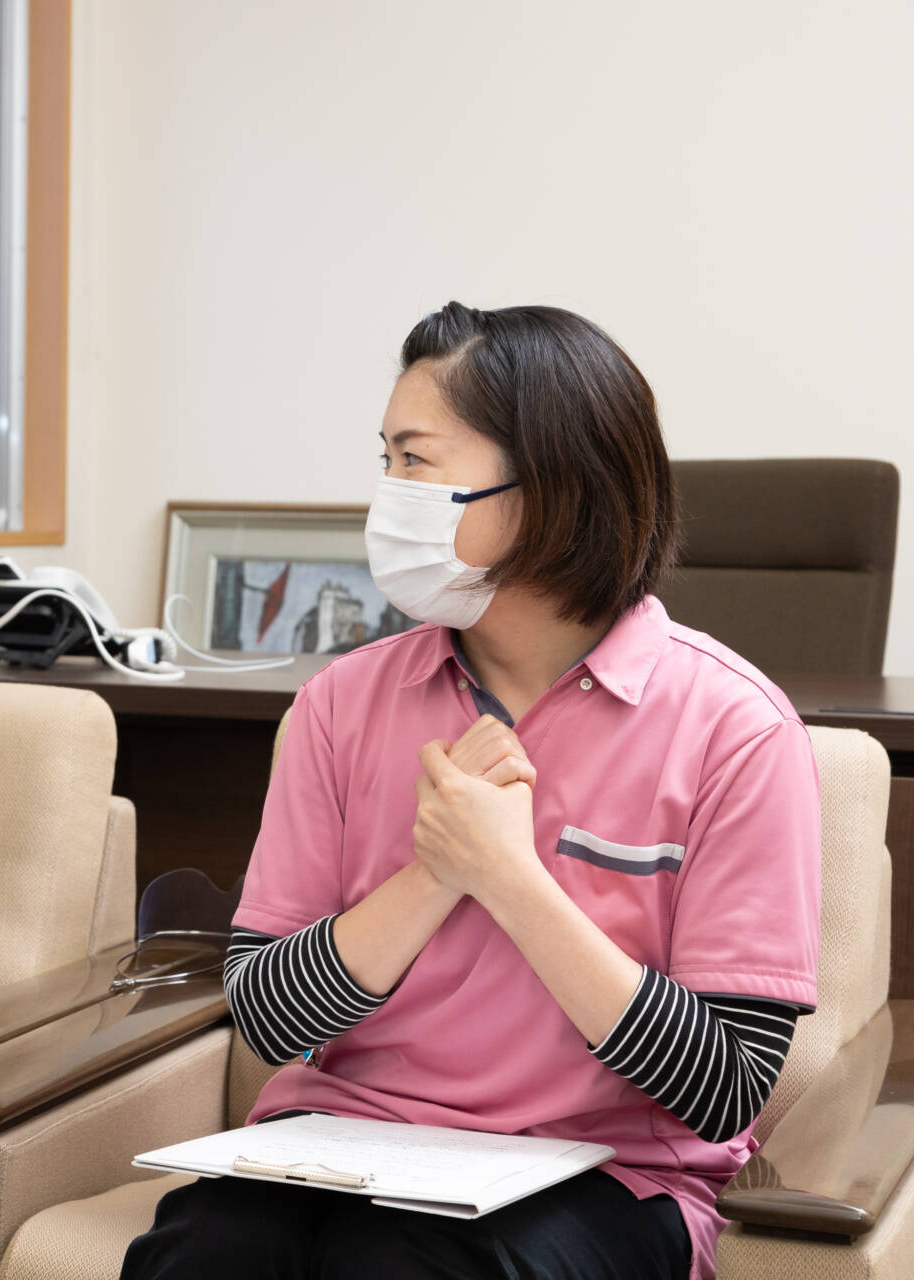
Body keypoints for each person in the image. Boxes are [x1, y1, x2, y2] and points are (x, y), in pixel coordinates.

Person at [122, 302, 818, 1280]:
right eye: (385, 460)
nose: (387, 493)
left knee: (400, 1262)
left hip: (611, 1178)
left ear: (551, 485)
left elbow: (727, 1083)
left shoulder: (734, 727)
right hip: (340, 1144)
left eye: (416, 460)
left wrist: (511, 877)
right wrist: (435, 872)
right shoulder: (340, 704)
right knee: (198, 1250)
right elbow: (269, 1015)